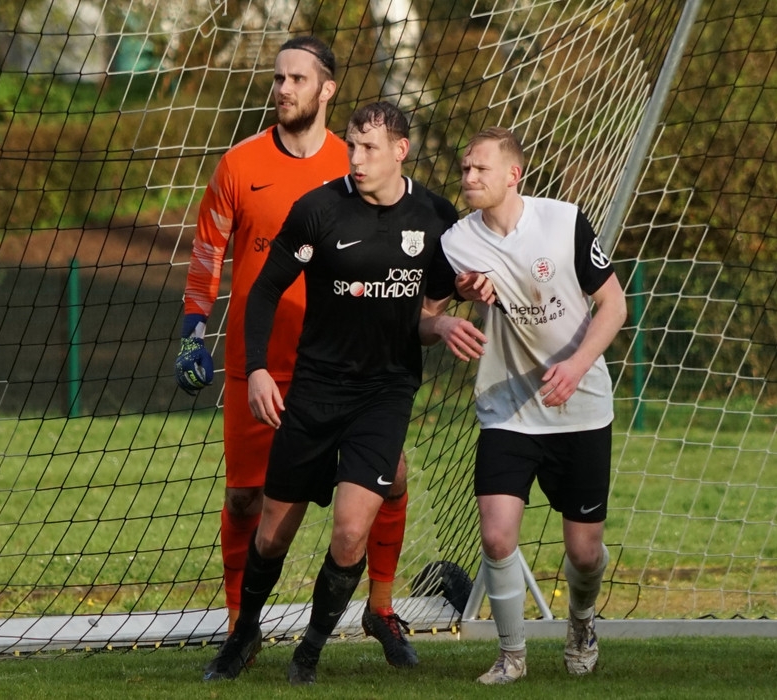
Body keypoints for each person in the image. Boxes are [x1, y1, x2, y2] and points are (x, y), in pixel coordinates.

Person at [203, 101, 485, 686]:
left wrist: (449, 316)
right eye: (352, 145)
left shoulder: (436, 217)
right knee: (272, 533)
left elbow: (426, 314)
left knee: (352, 530)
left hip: (385, 393)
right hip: (315, 389)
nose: (355, 158)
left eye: (369, 148)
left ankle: (308, 653)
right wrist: (258, 370)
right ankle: (244, 633)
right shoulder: (319, 209)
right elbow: (263, 292)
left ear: (400, 151)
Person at [173, 37, 418, 667]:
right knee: (246, 500)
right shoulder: (238, 164)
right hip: (256, 363)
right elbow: (208, 250)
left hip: (342, 365)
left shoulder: (356, 162)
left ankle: (381, 607)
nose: (283, 89)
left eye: (297, 79)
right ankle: (241, 629)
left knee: (391, 479)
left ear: (327, 89)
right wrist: (194, 328)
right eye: (278, 78)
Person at [421, 127, 627, 684]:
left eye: (480, 169)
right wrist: (444, 323)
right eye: (465, 168)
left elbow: (613, 305)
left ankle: (581, 621)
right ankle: (511, 655)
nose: (468, 177)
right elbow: (422, 319)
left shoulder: (564, 221)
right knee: (495, 536)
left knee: (584, 554)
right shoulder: (455, 244)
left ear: (513, 175)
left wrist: (576, 365)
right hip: (506, 409)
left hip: (580, 409)